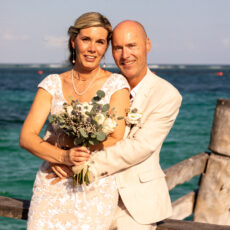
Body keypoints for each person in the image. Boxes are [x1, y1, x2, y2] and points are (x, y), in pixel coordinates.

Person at [50, 20, 182, 229]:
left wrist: (80, 166)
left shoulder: (166, 95)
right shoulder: (103, 85)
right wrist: (56, 155)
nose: (125, 55)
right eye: (118, 48)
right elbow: (67, 127)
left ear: (147, 45)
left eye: (132, 46)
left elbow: (139, 147)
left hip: (134, 206)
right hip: (89, 193)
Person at [19, 12, 130, 230]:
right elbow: (27, 137)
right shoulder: (52, 83)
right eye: (86, 39)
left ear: (105, 47)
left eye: (100, 42)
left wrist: (78, 154)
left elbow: (116, 137)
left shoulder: (116, 84)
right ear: (73, 41)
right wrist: (61, 156)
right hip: (52, 183)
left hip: (94, 187)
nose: (92, 48)